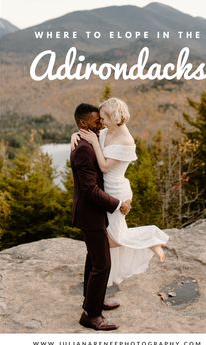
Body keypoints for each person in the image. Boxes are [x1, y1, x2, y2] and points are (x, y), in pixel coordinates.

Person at [71, 97, 169, 287]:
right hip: (107, 189)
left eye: (104, 118)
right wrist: (75, 135)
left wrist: (94, 142)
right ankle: (100, 284)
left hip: (116, 190)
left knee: (114, 239)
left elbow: (106, 167)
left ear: (113, 117)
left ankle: (151, 239)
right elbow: (89, 132)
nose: (101, 122)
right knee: (111, 236)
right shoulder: (108, 131)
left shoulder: (126, 140)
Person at [70, 103, 131, 331]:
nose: (101, 124)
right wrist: (117, 204)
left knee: (94, 258)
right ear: (84, 124)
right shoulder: (84, 149)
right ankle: (91, 315)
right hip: (90, 214)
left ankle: (92, 300)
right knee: (102, 264)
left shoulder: (87, 140)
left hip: (93, 213)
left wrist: (75, 134)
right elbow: (89, 190)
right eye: (97, 121)